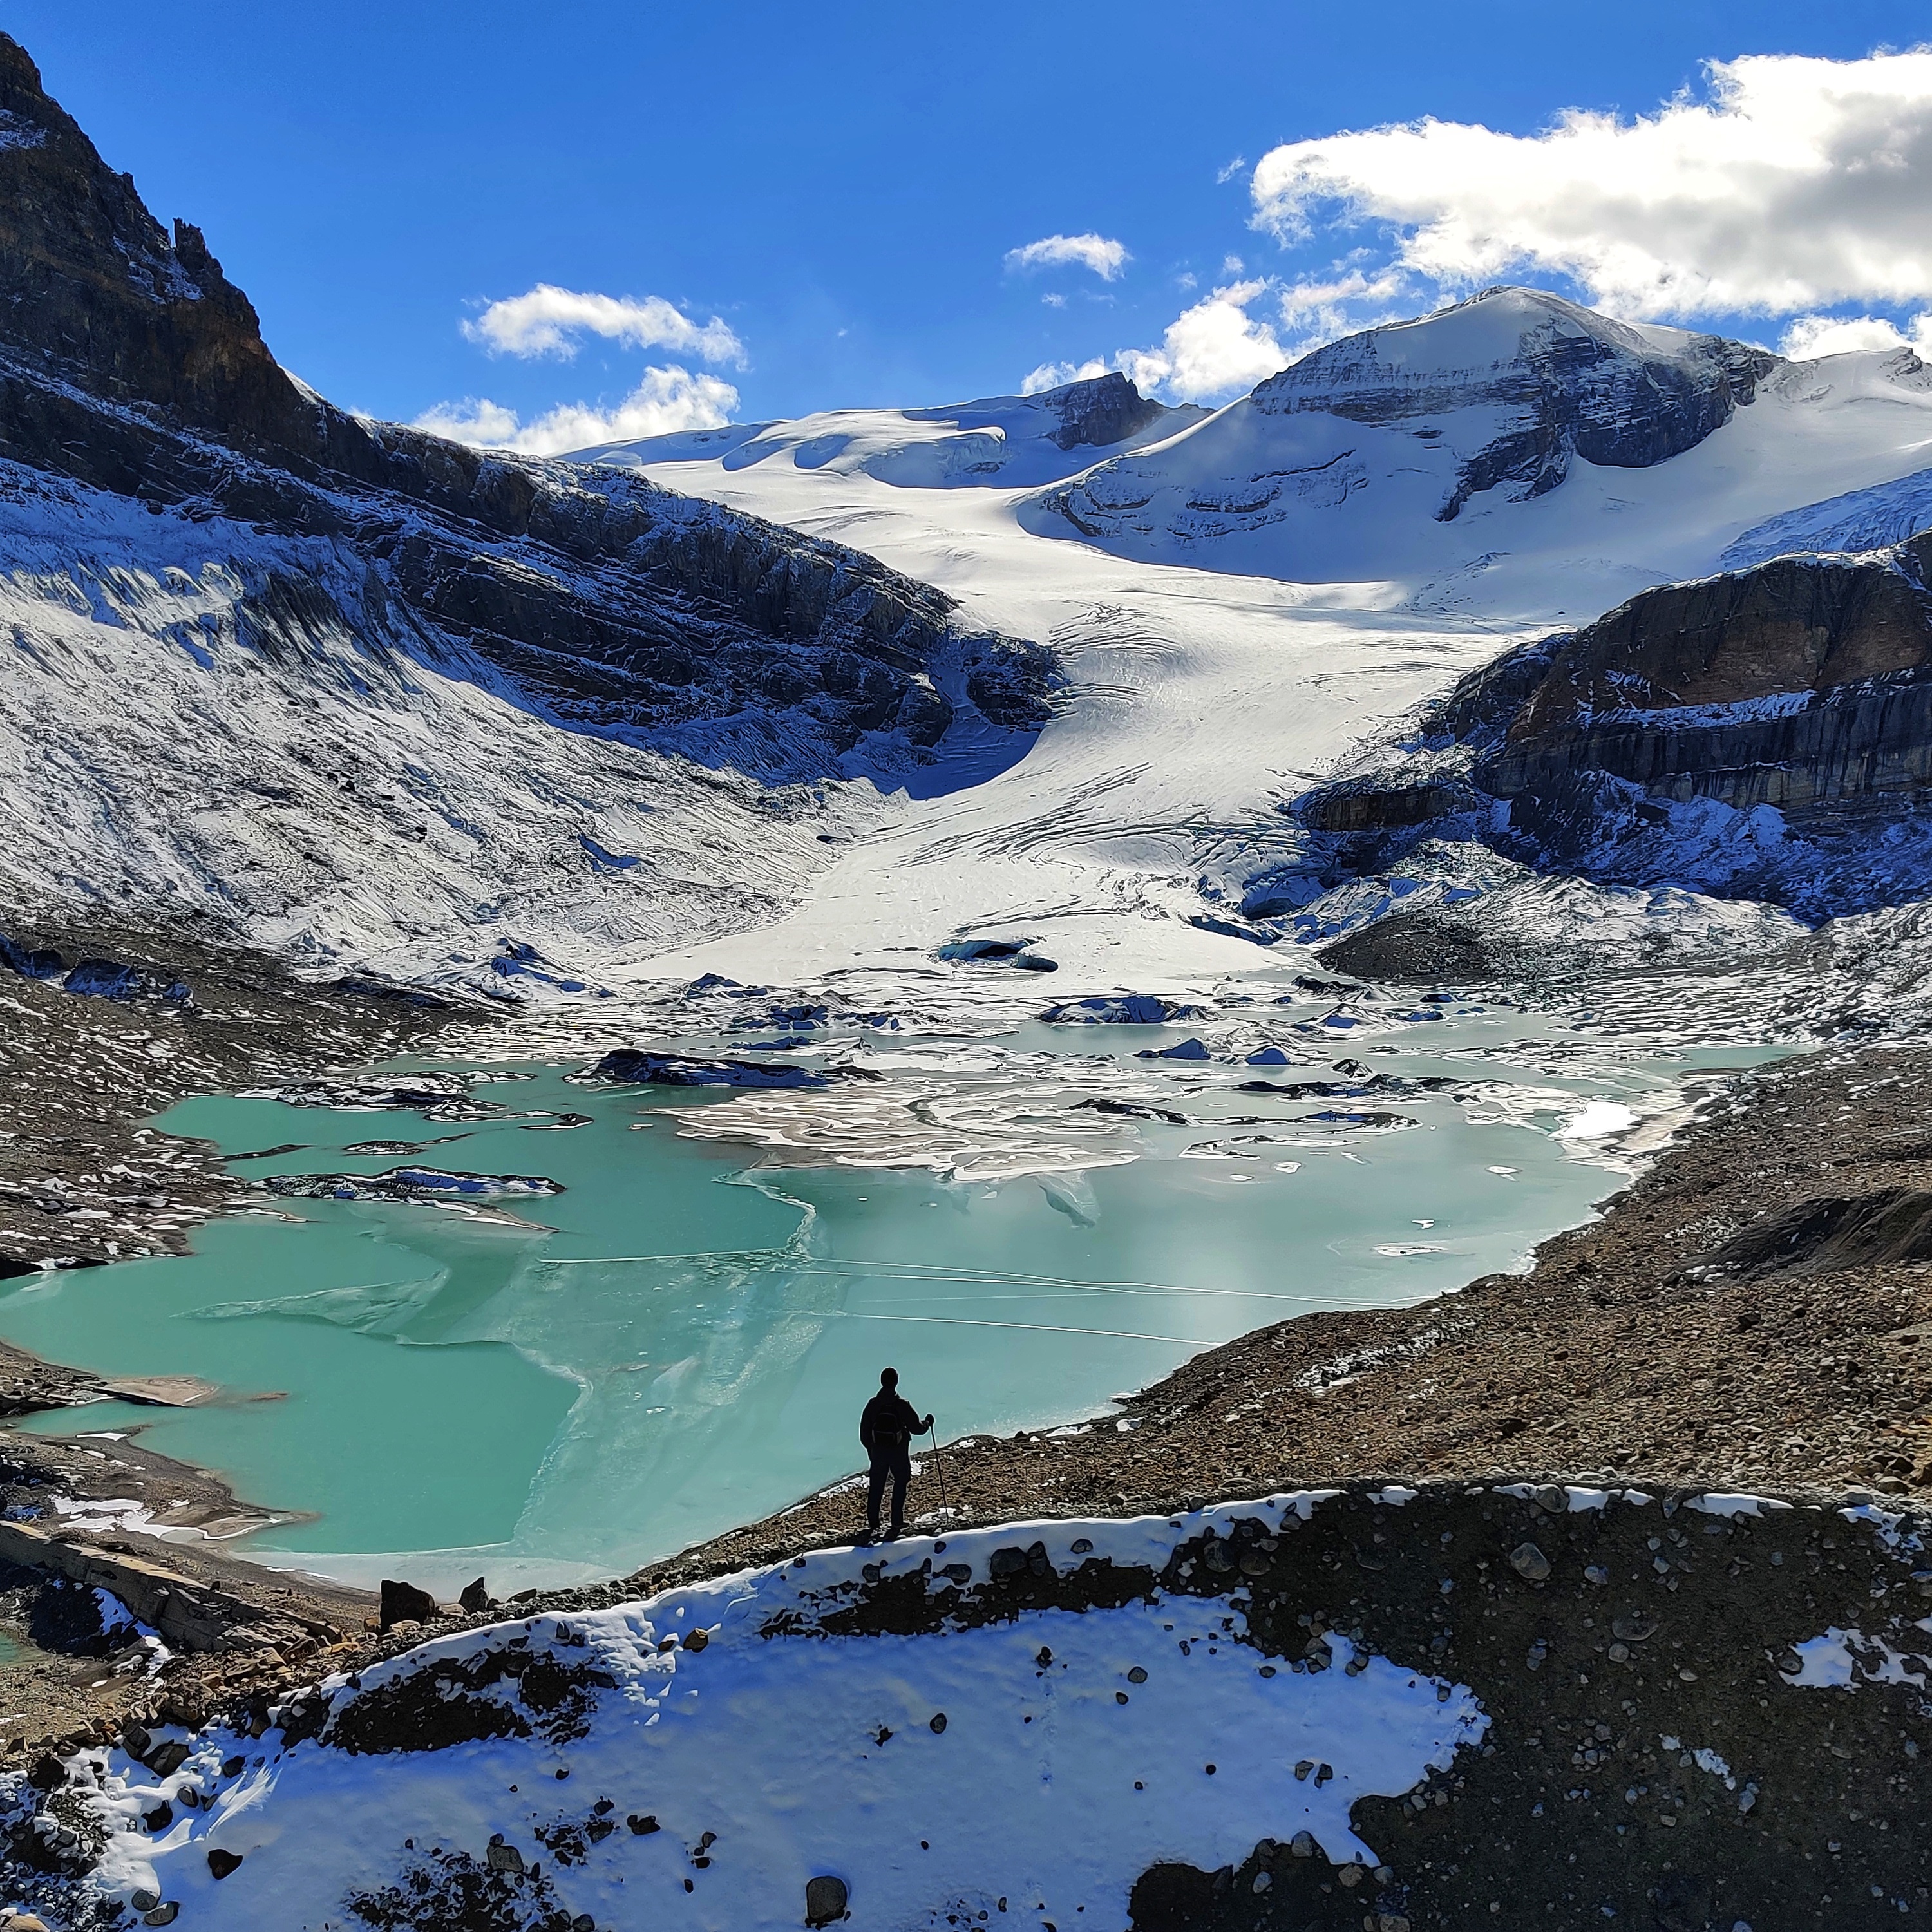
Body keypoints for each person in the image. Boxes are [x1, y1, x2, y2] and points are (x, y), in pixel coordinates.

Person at [859, 1367, 933, 1540]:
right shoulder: (902, 1405)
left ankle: (873, 1522)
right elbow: (917, 1429)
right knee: (901, 1482)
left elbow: (864, 1433)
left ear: (882, 1382)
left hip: (878, 1453)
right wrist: (928, 1422)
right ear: (896, 1382)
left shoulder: (873, 1405)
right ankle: (897, 1521)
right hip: (898, 1453)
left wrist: (872, 1449)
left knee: (877, 1486)